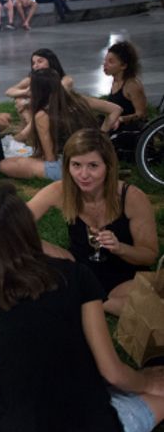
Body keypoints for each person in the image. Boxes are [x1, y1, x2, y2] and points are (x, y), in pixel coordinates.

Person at [0, 184, 164, 432]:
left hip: (14, 425)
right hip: (89, 429)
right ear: (29, 228)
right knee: (145, 392)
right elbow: (111, 372)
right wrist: (147, 382)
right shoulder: (76, 275)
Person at [27, 129, 158, 316]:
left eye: (93, 166)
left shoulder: (132, 197)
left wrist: (119, 247)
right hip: (80, 270)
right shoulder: (61, 190)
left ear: (109, 166)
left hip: (124, 275)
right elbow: (14, 223)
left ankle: (90, 303)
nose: (83, 174)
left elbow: (149, 255)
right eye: (76, 165)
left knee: (149, 306)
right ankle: (93, 302)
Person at [0, 69, 121, 180]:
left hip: (70, 166)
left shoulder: (43, 115)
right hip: (97, 158)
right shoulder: (79, 100)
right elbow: (116, 109)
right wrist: (101, 136)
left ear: (38, 91)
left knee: (5, 164)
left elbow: (50, 158)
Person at [5, 48, 75, 124]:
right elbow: (9, 91)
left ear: (51, 62)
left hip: (59, 113)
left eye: (40, 61)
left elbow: (55, 95)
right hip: (38, 115)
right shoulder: (31, 79)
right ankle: (32, 127)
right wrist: (25, 92)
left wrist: (27, 102)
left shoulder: (66, 79)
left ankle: (32, 129)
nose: (36, 66)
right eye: (33, 63)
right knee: (19, 98)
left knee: (24, 102)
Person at [103, 41, 148, 150]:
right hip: (115, 124)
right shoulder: (115, 82)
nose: (105, 65)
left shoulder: (132, 85)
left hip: (129, 129)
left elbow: (141, 114)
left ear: (123, 65)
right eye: (105, 61)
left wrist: (122, 119)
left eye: (111, 62)